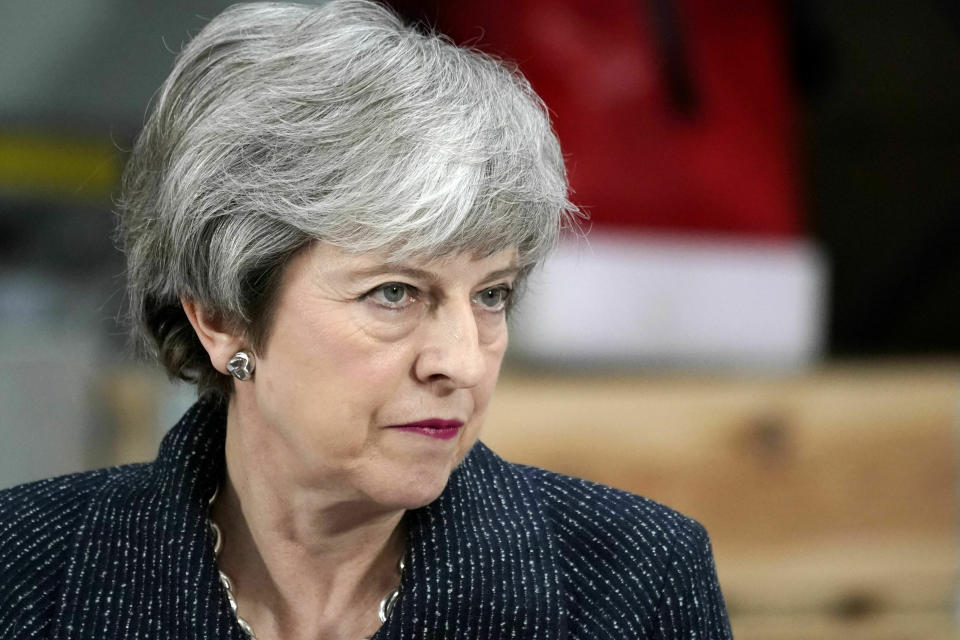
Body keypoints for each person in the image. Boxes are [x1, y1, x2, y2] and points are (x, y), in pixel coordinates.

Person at [0, 1, 731, 638]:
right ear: (223, 319)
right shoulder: (25, 573)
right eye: (394, 293)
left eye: (492, 294)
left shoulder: (630, 587)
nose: (462, 362)